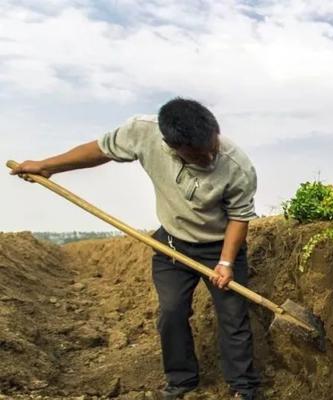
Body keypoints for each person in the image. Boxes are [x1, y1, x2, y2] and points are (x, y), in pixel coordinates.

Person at [10, 98, 261, 400]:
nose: (209, 157)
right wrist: (47, 166)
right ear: (173, 147)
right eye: (199, 155)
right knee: (171, 312)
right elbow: (100, 150)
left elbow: (238, 217)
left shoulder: (238, 167)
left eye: (212, 148)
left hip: (220, 247)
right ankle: (181, 381)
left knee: (233, 317)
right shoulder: (144, 133)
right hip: (171, 244)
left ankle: (243, 388)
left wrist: (226, 262)